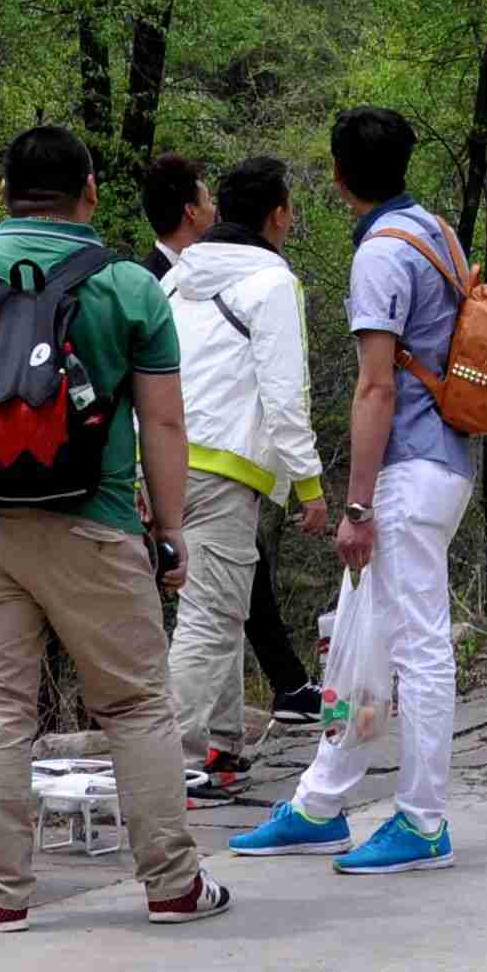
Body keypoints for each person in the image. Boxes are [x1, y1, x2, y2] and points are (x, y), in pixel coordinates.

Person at [0, 124, 228, 931]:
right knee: (138, 707)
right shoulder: (129, 287)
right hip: (96, 526)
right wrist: (169, 530)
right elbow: (165, 423)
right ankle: (172, 886)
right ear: (92, 191)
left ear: (4, 194)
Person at [232, 107, 476, 878]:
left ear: (338, 178)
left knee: (420, 649)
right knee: (363, 636)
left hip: (408, 472)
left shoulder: (379, 255)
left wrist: (357, 505)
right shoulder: (436, 230)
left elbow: (375, 389)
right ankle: (320, 804)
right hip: (449, 460)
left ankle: (422, 820)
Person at [164, 157, 330, 801]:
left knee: (217, 608)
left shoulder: (176, 282)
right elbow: (287, 394)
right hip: (226, 468)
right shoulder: (271, 283)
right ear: (278, 215)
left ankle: (223, 749)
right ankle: (173, 761)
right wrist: (310, 485)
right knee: (208, 617)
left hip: (167, 462)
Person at [140, 154, 217, 277]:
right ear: (191, 211)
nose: (215, 209)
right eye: (209, 201)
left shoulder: (205, 268)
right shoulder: (148, 283)